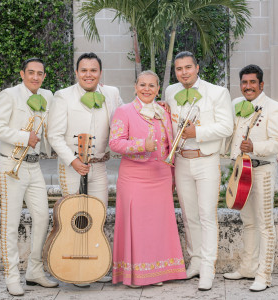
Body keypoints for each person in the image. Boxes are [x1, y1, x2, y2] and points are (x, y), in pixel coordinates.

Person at [47, 52, 123, 283]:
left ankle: (96, 266)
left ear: (100, 73)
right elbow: (54, 135)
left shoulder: (111, 93)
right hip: (72, 167)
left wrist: (152, 106)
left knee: (97, 218)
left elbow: (124, 117)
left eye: (93, 70)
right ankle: (76, 270)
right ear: (77, 72)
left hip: (99, 166)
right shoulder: (63, 96)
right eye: (84, 70)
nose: (88, 75)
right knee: (75, 219)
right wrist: (73, 160)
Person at [109, 70, 187, 287]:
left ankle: (159, 272)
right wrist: (142, 145)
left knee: (158, 226)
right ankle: (136, 275)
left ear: (158, 89)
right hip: (134, 176)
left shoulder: (163, 111)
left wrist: (172, 175)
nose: (146, 89)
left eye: (152, 86)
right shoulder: (123, 111)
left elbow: (168, 144)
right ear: (135, 87)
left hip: (161, 175)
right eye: (142, 85)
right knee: (138, 226)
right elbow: (115, 143)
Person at [0, 58, 58, 296]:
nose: (35, 77)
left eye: (40, 73)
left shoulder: (48, 96)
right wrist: (22, 136)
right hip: (11, 165)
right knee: (10, 223)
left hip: (34, 166)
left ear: (44, 76)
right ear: (22, 74)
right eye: (31, 73)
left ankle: (34, 272)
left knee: (42, 218)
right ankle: (11, 277)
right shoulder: (9, 95)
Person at [165, 51, 233, 291]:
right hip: (182, 161)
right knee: (189, 214)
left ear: (197, 67)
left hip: (206, 160)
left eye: (188, 67)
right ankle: (194, 262)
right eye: (179, 69)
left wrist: (198, 133)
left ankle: (208, 268)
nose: (184, 72)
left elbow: (227, 126)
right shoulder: (171, 92)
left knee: (207, 216)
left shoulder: (217, 92)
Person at [223, 65, 278, 291]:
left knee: (265, 225)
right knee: (248, 221)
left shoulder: (275, 108)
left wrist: (255, 146)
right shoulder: (235, 105)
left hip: (263, 170)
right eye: (244, 83)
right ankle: (248, 268)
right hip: (242, 171)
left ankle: (264, 275)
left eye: (252, 82)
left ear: (261, 84)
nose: (247, 87)